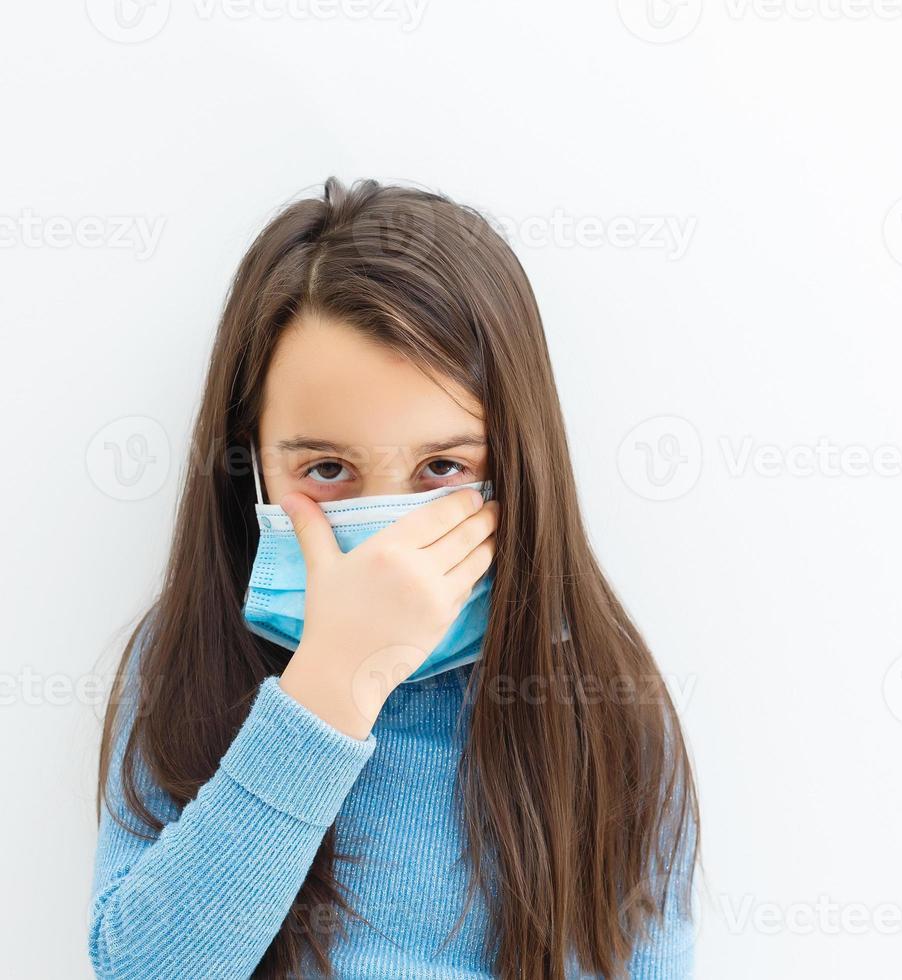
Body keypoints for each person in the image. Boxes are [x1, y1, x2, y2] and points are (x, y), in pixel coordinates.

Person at [90, 177, 698, 979]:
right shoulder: (187, 660)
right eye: (330, 468)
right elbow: (144, 969)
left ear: (514, 461)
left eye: (441, 467)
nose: (389, 544)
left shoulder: (601, 704)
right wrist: (330, 689)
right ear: (253, 465)